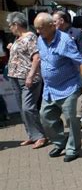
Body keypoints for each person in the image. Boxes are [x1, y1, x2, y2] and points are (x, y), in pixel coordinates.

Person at [35, 13, 82, 162]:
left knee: (71, 120)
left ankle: (73, 148)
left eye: (40, 28)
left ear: (51, 26)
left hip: (69, 87)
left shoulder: (65, 40)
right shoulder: (40, 40)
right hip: (49, 88)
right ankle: (60, 142)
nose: (38, 32)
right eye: (36, 28)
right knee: (45, 116)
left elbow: (80, 62)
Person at [6, 12, 47, 148]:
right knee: (22, 109)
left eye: (10, 25)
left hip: (28, 78)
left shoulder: (30, 37)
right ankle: (32, 135)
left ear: (16, 25)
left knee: (28, 108)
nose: (9, 28)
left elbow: (36, 57)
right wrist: (13, 48)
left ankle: (40, 136)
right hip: (15, 77)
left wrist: (30, 75)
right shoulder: (18, 38)